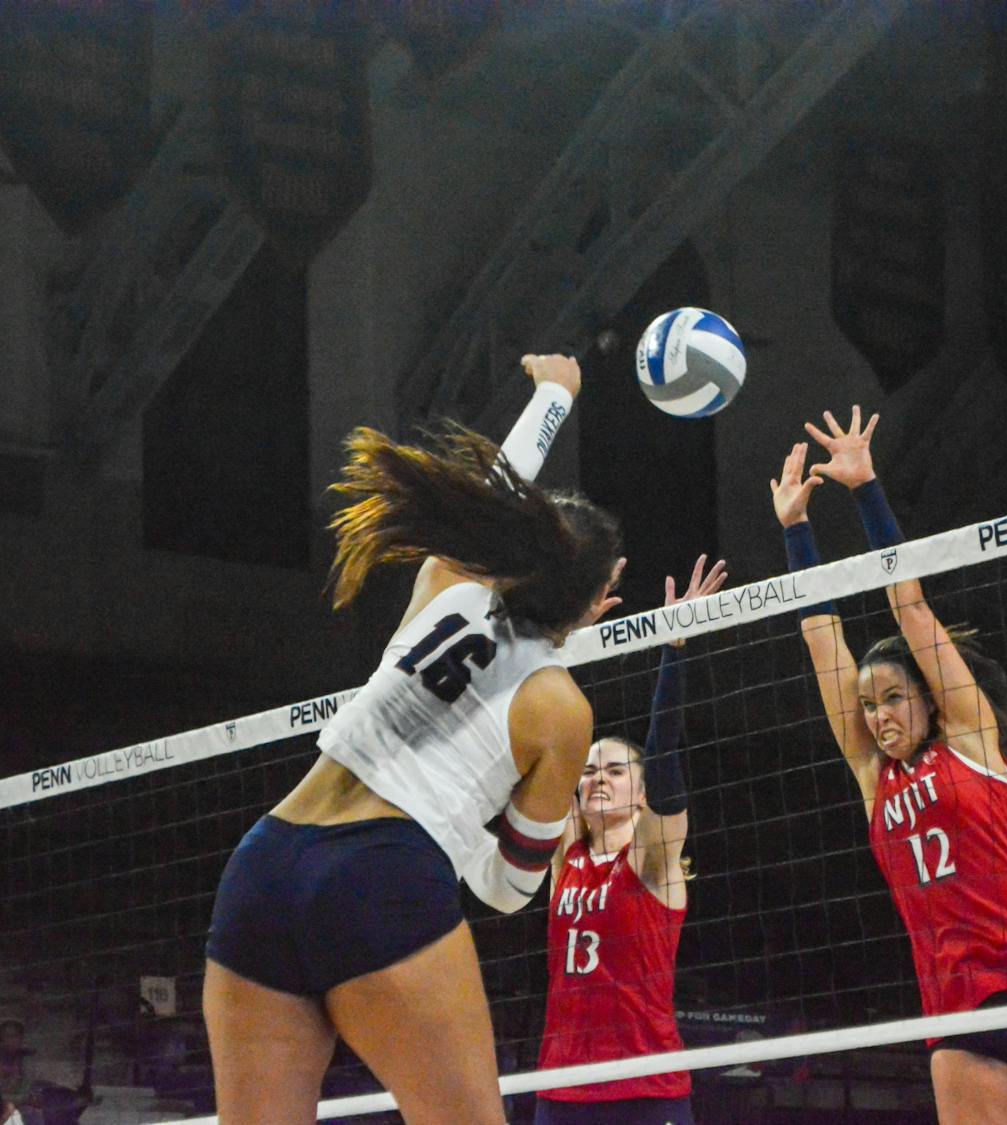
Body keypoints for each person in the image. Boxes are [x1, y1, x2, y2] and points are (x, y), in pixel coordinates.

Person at [203, 355, 625, 1125]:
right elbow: (507, 888)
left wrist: (555, 395)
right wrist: (464, 831)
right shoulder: (560, 706)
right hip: (382, 878)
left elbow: (492, 497)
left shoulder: (446, 582)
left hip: (263, 867)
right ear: (602, 595)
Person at [770, 407, 1007, 1125]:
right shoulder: (875, 775)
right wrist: (796, 532)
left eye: (894, 697)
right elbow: (820, 641)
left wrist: (867, 488)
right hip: (955, 1013)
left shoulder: (970, 738)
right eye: (868, 705)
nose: (878, 716)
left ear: (929, 700)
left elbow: (909, 602)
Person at [535, 553, 727, 1125]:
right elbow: (550, 734)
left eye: (615, 771)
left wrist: (675, 647)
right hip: (560, 1088)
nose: (596, 777)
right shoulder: (566, 855)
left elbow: (663, 752)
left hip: (644, 1088)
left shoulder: (651, 860)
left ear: (641, 796)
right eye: (591, 771)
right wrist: (566, 641)